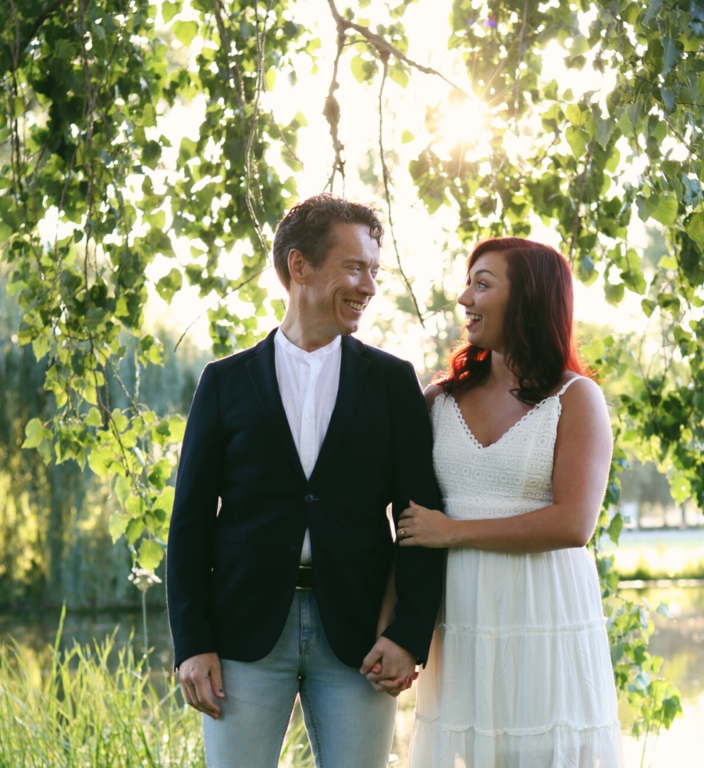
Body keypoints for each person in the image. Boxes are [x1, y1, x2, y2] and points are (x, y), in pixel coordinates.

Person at [166, 194, 443, 768]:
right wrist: (192, 643)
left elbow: (420, 518)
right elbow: (189, 523)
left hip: (359, 639)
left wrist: (409, 634)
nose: (369, 286)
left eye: (375, 270)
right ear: (299, 267)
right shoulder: (224, 383)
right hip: (243, 634)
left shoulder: (393, 383)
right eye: (354, 267)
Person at [399, 238, 624, 767]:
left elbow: (574, 523)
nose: (463, 298)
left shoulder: (576, 399)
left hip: (541, 611)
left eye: (482, 284)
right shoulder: (437, 400)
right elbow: (406, 521)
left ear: (527, 299)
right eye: (467, 282)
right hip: (462, 613)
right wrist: (400, 630)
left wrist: (453, 532)